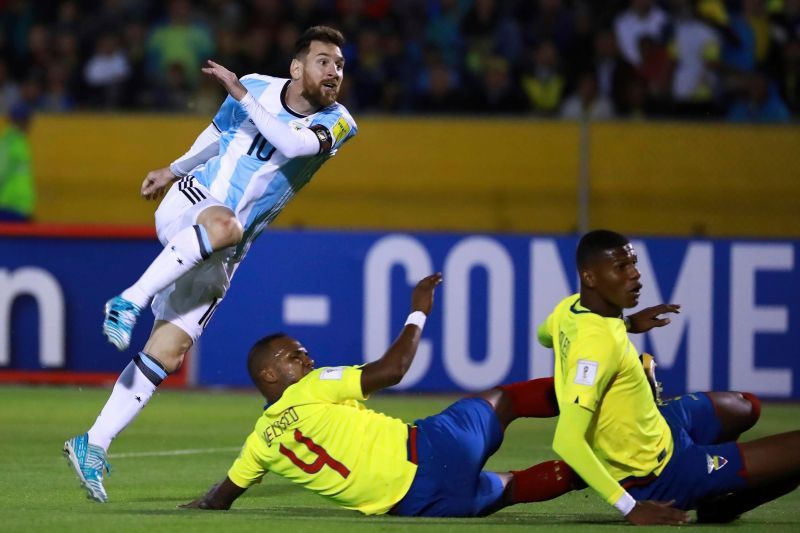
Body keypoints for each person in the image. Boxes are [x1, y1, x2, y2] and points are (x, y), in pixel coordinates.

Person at [63, 25, 358, 503]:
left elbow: (294, 145)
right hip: (195, 201)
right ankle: (128, 301)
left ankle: (92, 443)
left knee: (170, 350)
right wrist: (172, 169)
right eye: (324, 61)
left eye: (340, 65)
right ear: (297, 67)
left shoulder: (340, 121)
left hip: (226, 249)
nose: (334, 71)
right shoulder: (261, 86)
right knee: (225, 226)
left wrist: (240, 91)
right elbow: (217, 136)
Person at [181, 273, 585, 517]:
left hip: (419, 506)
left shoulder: (259, 445)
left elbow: (220, 498)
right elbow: (394, 370)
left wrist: (189, 508)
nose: (306, 357)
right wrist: (418, 310)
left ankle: (614, 475)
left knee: (511, 488)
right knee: (506, 401)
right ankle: (594, 392)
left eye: (304, 352)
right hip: (432, 451)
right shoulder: (313, 385)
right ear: (269, 373)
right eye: (293, 355)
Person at [538, 229, 800, 525]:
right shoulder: (596, 349)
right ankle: (720, 506)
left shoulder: (568, 308)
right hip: (657, 475)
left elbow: (543, 336)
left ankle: (712, 480)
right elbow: (567, 441)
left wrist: (626, 324)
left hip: (661, 427)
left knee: (745, 404)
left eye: (634, 263)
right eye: (621, 268)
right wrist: (631, 508)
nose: (635, 275)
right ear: (590, 278)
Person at [0, 102, 35, 222]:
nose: (30, 124)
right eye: (27, 120)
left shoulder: (20, 142)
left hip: (20, 207)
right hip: (8, 206)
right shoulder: (9, 143)